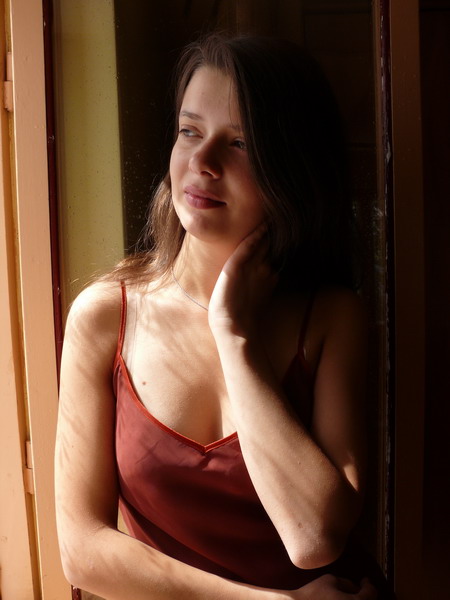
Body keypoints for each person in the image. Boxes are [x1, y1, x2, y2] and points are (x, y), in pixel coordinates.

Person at [55, 34, 388, 599]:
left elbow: (314, 538)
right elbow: (83, 553)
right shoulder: (106, 317)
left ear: (292, 169)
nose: (202, 163)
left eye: (239, 143)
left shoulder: (331, 319)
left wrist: (233, 336)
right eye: (189, 131)